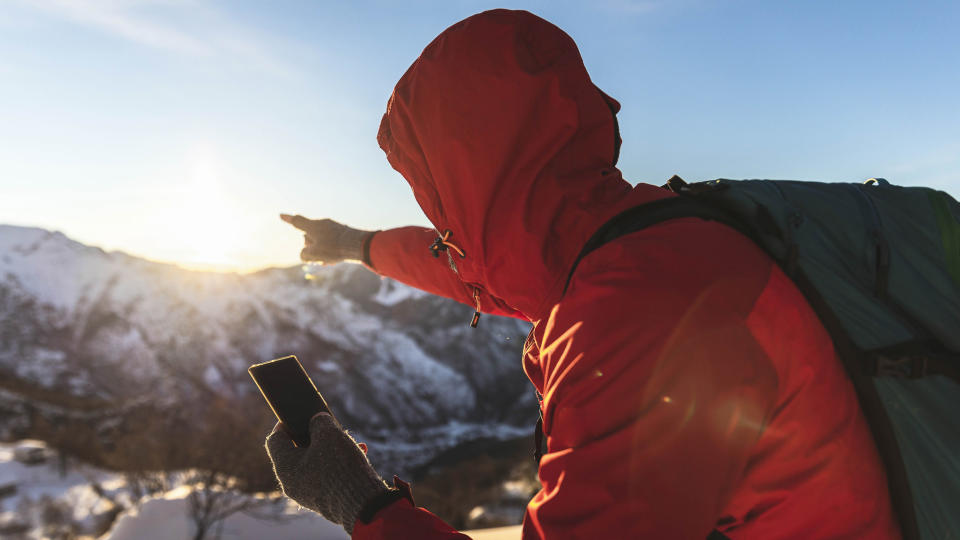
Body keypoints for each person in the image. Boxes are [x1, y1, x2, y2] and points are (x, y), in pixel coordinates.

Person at [266, 9, 901, 540]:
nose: (439, 224)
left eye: (434, 194)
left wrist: (364, 508)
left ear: (463, 182)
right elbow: (474, 273)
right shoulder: (636, 241)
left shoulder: (632, 315)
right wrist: (355, 244)